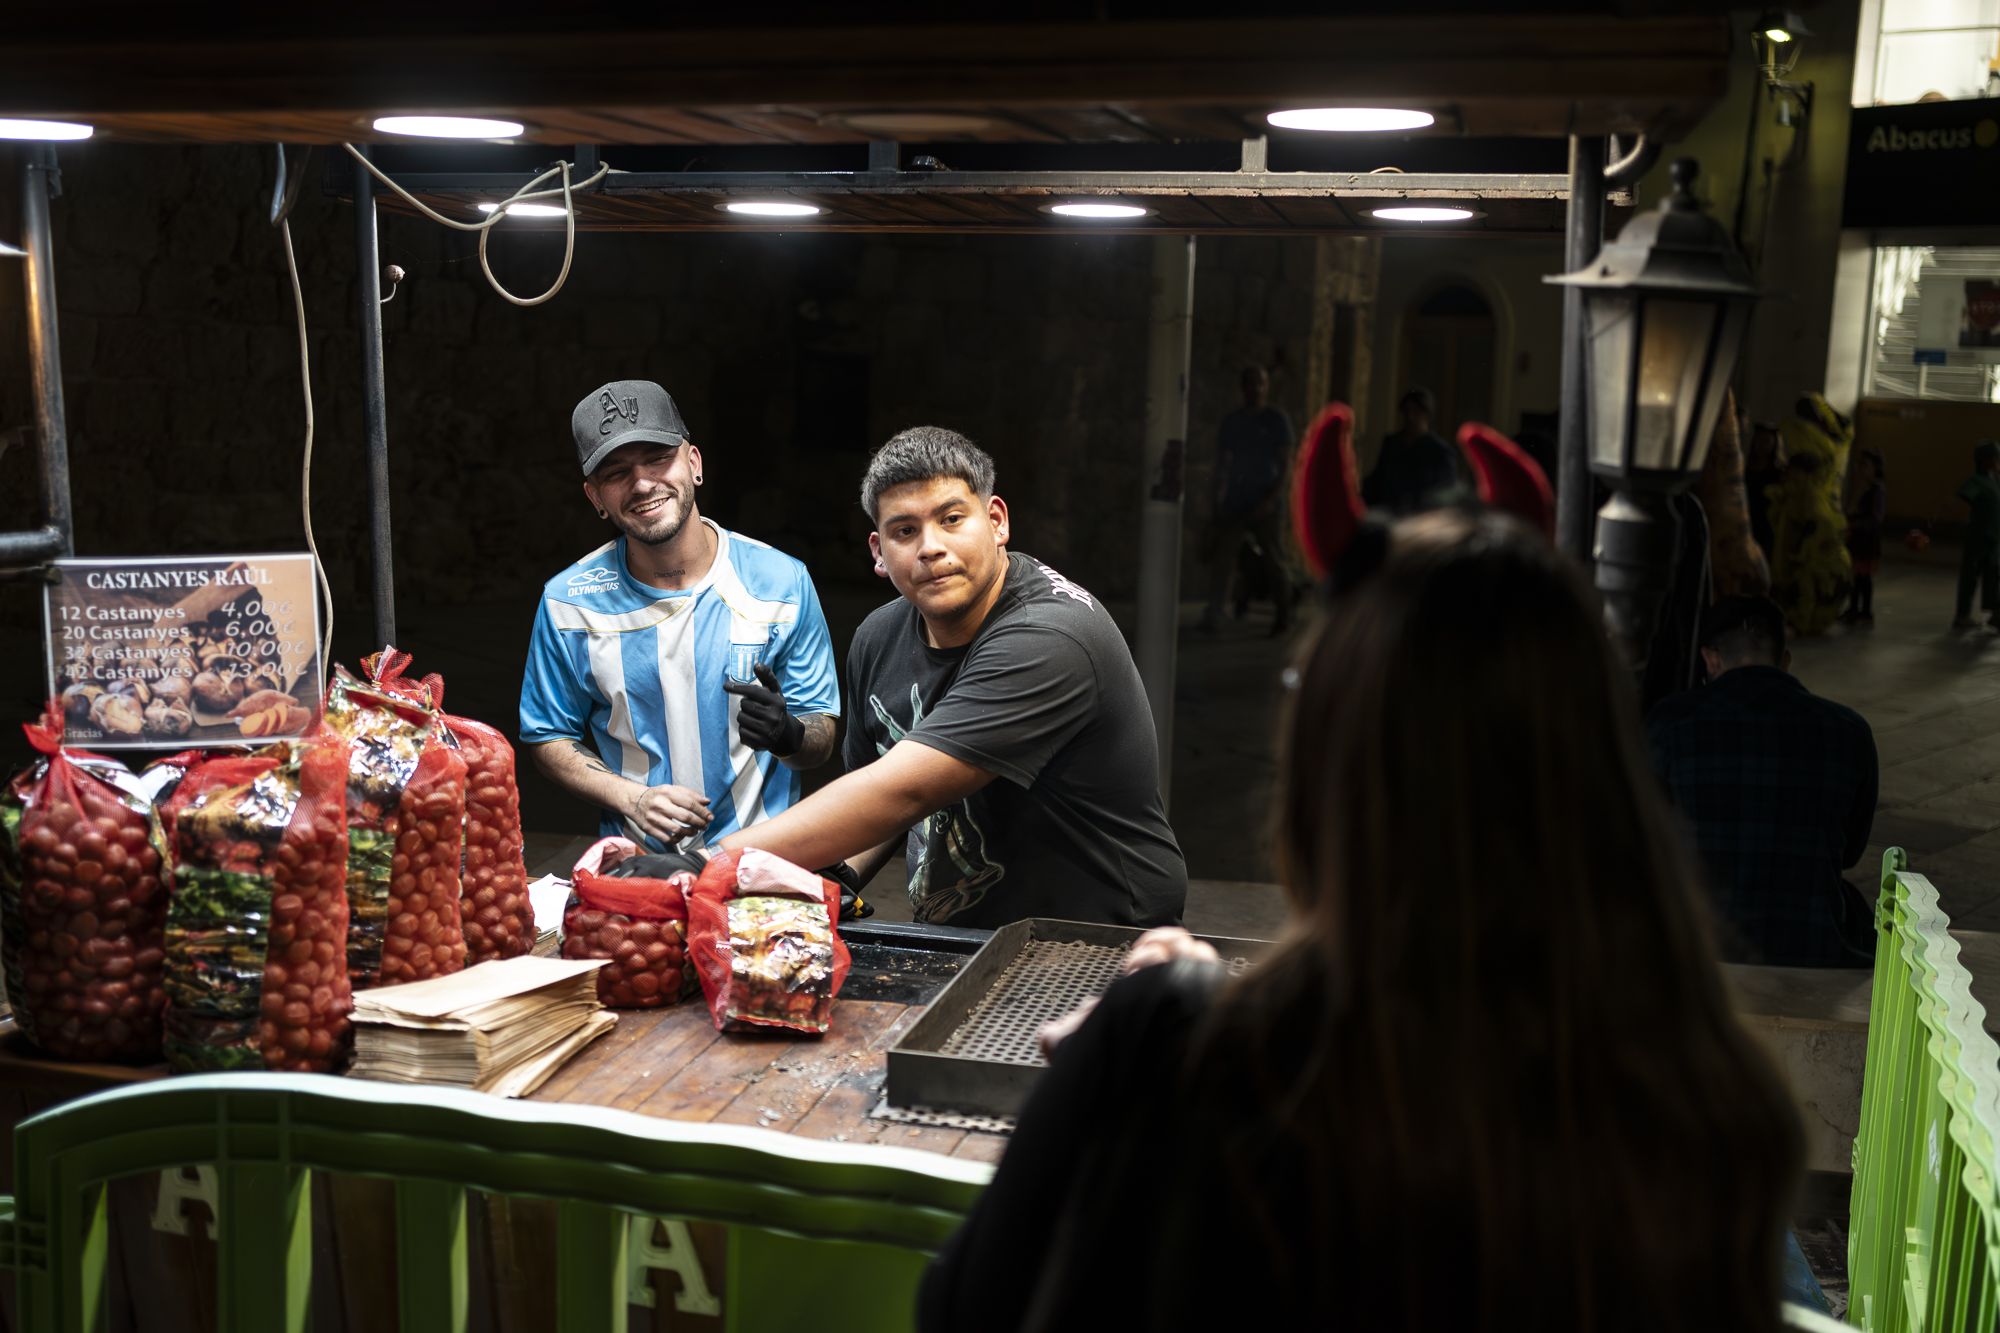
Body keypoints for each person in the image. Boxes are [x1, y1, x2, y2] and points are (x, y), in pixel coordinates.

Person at [920, 509, 1803, 1332]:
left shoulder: (1204, 1061)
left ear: (1326, 769)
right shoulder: (1715, 1116)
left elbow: (962, 1305)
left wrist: (1133, 1043)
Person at [717, 426, 1187, 929]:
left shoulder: (1050, 637)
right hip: (962, 938)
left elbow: (902, 792)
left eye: (952, 519)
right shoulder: (879, 637)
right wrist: (836, 877)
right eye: (905, 531)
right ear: (878, 551)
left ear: (996, 521)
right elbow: (877, 790)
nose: (930, 548)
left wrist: (714, 864)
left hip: (1096, 942)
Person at [519, 379, 840, 853]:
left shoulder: (782, 584)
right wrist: (635, 799)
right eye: (616, 472)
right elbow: (548, 737)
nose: (643, 483)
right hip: (634, 873)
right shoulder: (569, 602)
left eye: (657, 458)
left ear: (694, 464)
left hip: (762, 868)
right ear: (595, 498)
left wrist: (789, 735)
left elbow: (822, 734)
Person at [1648, 596, 1878, 967]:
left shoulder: (1669, 724)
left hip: (1696, 944)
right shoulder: (1849, 731)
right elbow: (1849, 852)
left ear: (1710, 659)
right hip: (1813, 946)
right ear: (1785, 661)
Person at [1200, 366, 1294, 635]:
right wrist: (1217, 501)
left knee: (1275, 559)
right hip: (1236, 501)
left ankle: (1284, 613)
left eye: (1261, 384)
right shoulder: (1234, 422)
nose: (1257, 390)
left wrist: (1272, 497)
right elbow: (1223, 464)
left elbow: (1286, 462)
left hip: (1265, 501)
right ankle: (1215, 612)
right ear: (1244, 388)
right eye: (1251, 384)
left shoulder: (1276, 420)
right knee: (1224, 558)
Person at [1361, 386, 1467, 515]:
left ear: (1426, 414)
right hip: (1389, 515)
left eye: (1416, 411)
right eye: (1407, 411)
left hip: (1421, 519)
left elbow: (1445, 493)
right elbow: (1377, 480)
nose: (1410, 417)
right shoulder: (1392, 443)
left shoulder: (1440, 451)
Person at [1952, 439, 2000, 631]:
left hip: (1993, 540)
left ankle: (1995, 614)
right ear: (1986, 460)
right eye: (1996, 457)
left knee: (1993, 577)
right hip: (1978, 539)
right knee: (1970, 577)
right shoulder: (1976, 481)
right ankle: (1962, 616)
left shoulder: (1994, 479)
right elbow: (1961, 501)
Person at [1842, 449, 1885, 624]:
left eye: (1865, 465)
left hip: (1867, 540)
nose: (1860, 469)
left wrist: (1854, 524)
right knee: (1855, 577)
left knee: (1864, 577)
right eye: (1859, 465)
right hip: (1857, 539)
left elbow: (1875, 518)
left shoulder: (1877, 490)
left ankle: (1865, 612)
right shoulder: (1862, 489)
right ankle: (1853, 609)